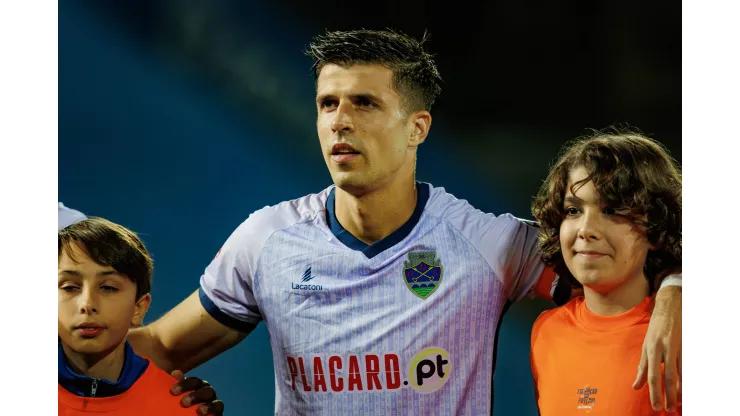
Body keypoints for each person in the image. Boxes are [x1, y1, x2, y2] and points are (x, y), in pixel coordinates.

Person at [128, 29, 682, 414]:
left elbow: (638, 249)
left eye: (364, 103)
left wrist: (678, 287)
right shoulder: (267, 240)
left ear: (417, 127)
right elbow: (158, 347)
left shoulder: (490, 246)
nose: (340, 121)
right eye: (327, 104)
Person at [530, 129, 682, 414]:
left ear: (656, 229)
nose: (586, 230)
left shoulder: (680, 334)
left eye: (611, 211)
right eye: (573, 210)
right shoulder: (545, 331)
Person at [58, 218, 222, 415]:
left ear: (138, 308)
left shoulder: (183, 408)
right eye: (69, 287)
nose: (87, 304)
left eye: (108, 287)